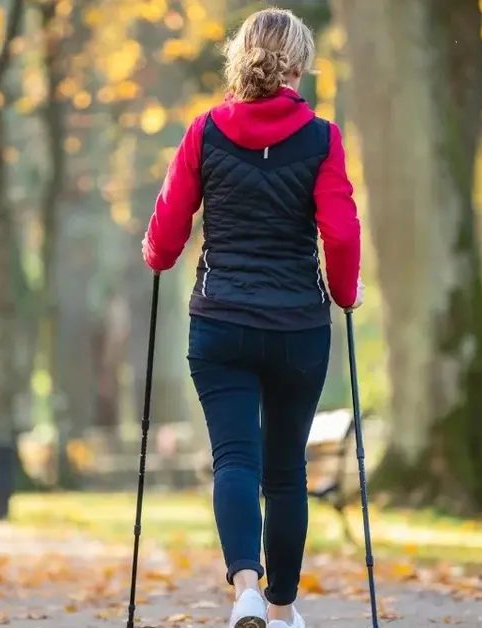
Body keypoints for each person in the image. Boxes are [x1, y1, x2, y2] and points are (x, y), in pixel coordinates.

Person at [141, 7, 363, 628]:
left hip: (221, 324)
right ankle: (284, 608)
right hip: (297, 329)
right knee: (286, 468)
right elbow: (340, 234)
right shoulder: (322, 137)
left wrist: (156, 255)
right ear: (299, 63)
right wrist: (345, 293)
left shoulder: (204, 131)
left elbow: (168, 225)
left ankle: (245, 587)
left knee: (235, 459)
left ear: (241, 58)